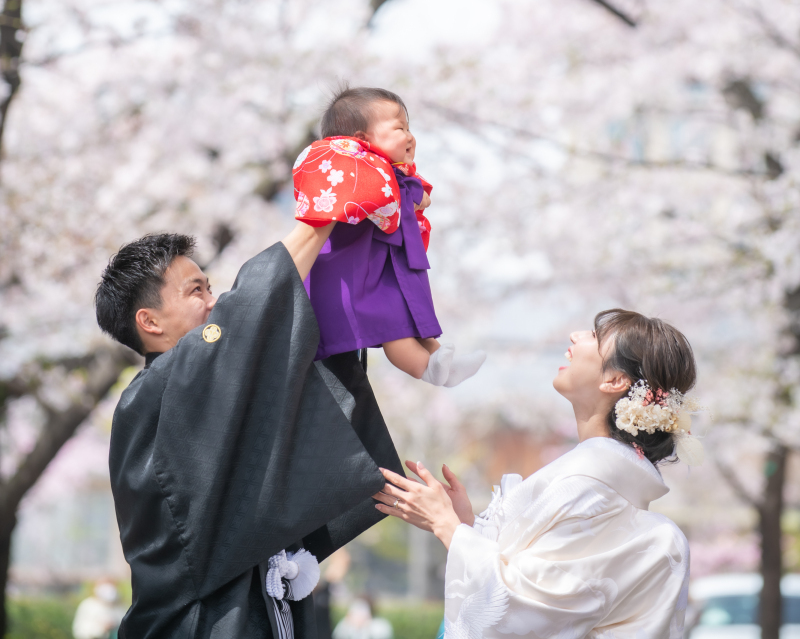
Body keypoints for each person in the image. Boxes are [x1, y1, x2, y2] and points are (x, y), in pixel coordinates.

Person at [95, 220, 404, 639]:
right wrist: (321, 215)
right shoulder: (147, 400)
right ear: (150, 322)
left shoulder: (210, 394)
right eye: (195, 291)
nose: (213, 301)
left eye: (209, 287)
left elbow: (281, 355)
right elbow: (241, 323)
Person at [374, 308, 699, 639]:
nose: (576, 335)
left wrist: (449, 528)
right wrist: (466, 525)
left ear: (615, 381)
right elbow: (541, 577)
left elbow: (522, 610)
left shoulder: (591, 485)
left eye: (595, 336)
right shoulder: (594, 479)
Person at [294, 87, 485, 387]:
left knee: (408, 313)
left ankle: (442, 361)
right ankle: (426, 368)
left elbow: (416, 195)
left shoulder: (389, 172)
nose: (410, 136)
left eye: (409, 128)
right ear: (362, 139)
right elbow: (386, 197)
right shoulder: (351, 171)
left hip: (385, 267)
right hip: (357, 274)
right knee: (393, 326)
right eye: (400, 128)